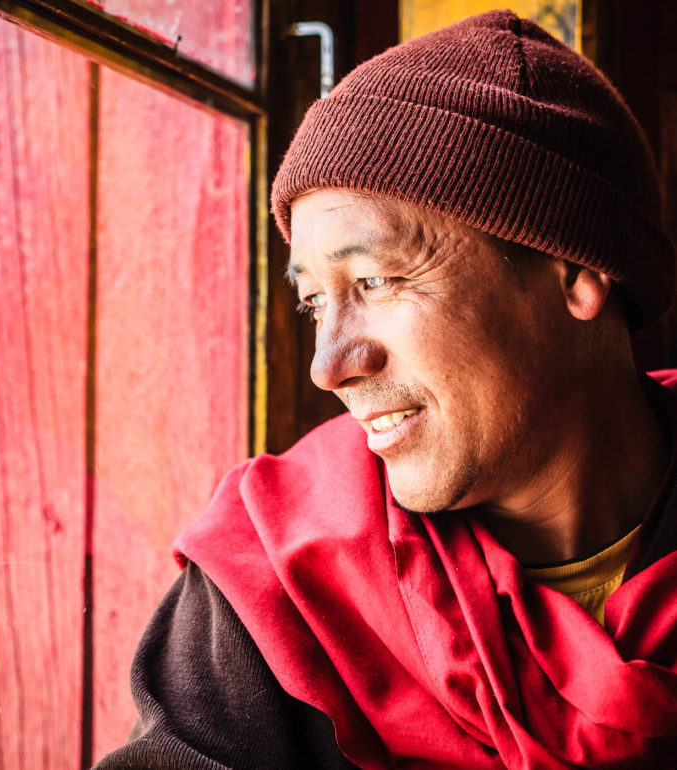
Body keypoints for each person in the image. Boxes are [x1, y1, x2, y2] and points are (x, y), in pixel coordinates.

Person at [94, 10, 677, 769]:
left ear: (575, 272)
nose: (328, 364)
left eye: (374, 281)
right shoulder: (283, 570)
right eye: (314, 302)